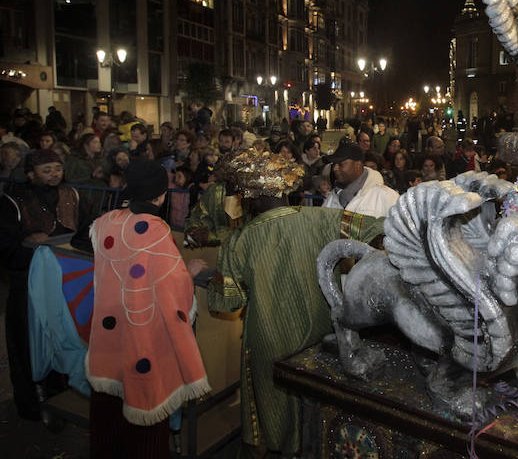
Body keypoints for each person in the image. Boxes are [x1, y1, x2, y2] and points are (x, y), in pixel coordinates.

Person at [206, 150, 385, 457]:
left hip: (268, 341)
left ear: (251, 197)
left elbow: (226, 302)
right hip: (320, 333)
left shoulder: (240, 240)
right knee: (318, 406)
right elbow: (379, 228)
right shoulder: (324, 219)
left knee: (276, 411)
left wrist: (209, 276)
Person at [86, 158, 209, 457]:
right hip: (143, 334)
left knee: (108, 419)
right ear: (161, 195)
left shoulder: (106, 222)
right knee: (145, 429)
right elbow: (171, 286)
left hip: (109, 332)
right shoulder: (155, 230)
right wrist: (189, 274)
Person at [0, 149, 80, 420]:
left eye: (57, 168)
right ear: (31, 174)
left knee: (64, 340)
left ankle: (62, 399)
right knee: (27, 344)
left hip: (66, 283)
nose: (54, 174)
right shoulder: (12, 202)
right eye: (47, 170)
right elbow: (5, 247)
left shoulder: (72, 195)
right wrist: (30, 244)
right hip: (27, 286)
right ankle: (31, 405)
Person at [322, 139, 398, 218]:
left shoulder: (386, 197)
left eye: (340, 164)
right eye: (334, 164)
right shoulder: (332, 197)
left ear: (358, 165)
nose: (335, 168)